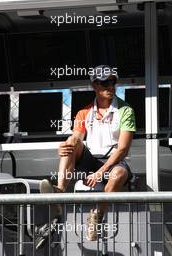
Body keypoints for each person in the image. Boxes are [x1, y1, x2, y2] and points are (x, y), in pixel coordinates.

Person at [39, 65, 136, 242]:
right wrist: (63, 147)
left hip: (114, 162)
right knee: (70, 141)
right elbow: (76, 138)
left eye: (113, 81)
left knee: (119, 173)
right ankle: (59, 192)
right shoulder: (83, 112)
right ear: (94, 85)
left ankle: (97, 217)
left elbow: (122, 149)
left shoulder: (126, 110)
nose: (111, 86)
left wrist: (100, 172)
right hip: (91, 161)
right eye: (106, 82)